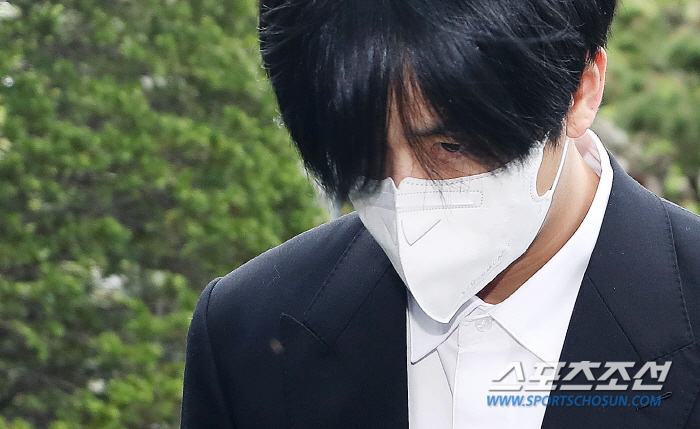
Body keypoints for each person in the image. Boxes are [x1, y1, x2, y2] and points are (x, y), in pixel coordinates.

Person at [180, 0, 700, 427]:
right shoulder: (245, 334)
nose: (404, 197)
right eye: (362, 152)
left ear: (581, 90)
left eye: (451, 146)